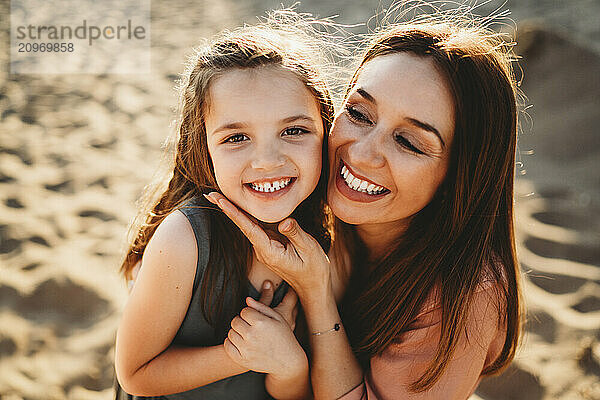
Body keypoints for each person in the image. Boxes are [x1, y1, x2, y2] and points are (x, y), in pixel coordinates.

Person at [206, 14, 523, 400]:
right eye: (358, 114)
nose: (361, 153)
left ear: (460, 174)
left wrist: (316, 295)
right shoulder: (298, 189)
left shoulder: (469, 293)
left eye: (408, 142)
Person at [114, 14, 339, 399]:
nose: (268, 160)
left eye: (294, 131)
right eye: (237, 137)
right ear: (203, 148)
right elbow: (136, 374)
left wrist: (289, 365)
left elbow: (291, 390)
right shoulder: (184, 239)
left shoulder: (323, 238)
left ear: (325, 130)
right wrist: (241, 355)